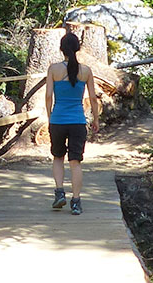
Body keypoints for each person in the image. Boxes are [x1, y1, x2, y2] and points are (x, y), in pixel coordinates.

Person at [44, 32, 100, 215]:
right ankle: (76, 202)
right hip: (77, 121)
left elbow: (48, 96)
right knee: (75, 162)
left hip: (58, 120)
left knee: (58, 157)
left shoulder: (53, 69)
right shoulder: (86, 71)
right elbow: (92, 98)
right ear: (78, 48)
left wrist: (49, 116)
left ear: (62, 49)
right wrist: (96, 119)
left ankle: (59, 192)